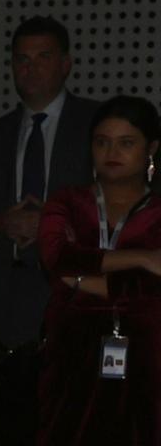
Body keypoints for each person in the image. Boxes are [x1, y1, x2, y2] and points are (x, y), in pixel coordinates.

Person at [0, 17, 97, 437]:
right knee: (15, 425)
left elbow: (122, 209)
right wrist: (1, 222)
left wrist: (51, 224)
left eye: (43, 57)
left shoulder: (97, 126)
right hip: (13, 303)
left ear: (66, 64)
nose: (30, 68)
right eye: (22, 59)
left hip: (78, 298)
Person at [37, 95, 161, 445]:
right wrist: (143, 258)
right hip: (69, 350)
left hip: (148, 352)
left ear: (151, 148)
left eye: (126, 143)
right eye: (102, 142)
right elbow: (56, 257)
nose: (112, 152)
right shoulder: (67, 201)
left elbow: (154, 291)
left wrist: (80, 280)